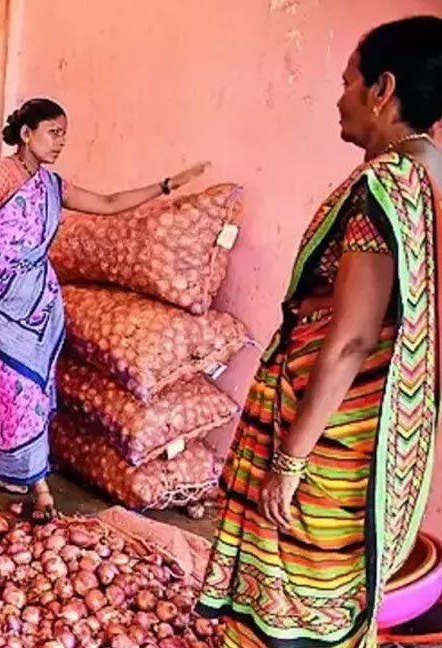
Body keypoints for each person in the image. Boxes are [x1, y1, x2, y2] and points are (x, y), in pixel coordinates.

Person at [197, 16, 442, 648]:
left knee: (292, 586)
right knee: (338, 579)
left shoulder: (381, 188)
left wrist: (288, 461)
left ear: (382, 90)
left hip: (330, 430)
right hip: (387, 431)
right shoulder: (435, 181)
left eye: (347, 82)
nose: (339, 97)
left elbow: (352, 339)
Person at [0, 98, 208, 516]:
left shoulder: (52, 185)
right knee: (23, 388)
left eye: (64, 133)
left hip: (41, 303)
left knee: (20, 387)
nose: (60, 142)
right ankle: (37, 484)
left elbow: (107, 202)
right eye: (53, 132)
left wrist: (168, 185)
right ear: (26, 134)